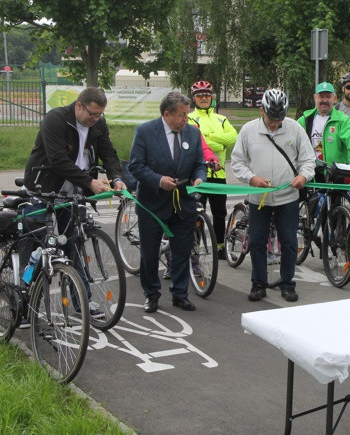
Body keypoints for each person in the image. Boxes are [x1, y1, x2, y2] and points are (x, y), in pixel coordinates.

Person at [23, 87, 126, 317]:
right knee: (36, 248)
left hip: (73, 193)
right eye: (92, 114)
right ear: (79, 105)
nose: (96, 119)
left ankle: (82, 301)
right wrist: (90, 182)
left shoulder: (98, 125)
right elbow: (57, 159)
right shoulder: (56, 119)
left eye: (100, 115)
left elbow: (109, 154)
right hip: (43, 190)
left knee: (75, 245)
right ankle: (26, 303)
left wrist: (117, 178)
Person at [231, 88, 315, 302]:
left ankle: (287, 283)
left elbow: (308, 160)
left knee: (288, 242)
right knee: (257, 241)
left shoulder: (295, 129)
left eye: (279, 119)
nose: (275, 124)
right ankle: (258, 283)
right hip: (259, 198)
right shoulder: (249, 130)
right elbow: (238, 162)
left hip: (288, 197)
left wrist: (303, 177)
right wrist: (251, 178)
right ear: (262, 110)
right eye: (271, 118)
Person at [129, 91, 206, 314]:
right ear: (166, 114)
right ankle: (152, 294)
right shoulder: (145, 132)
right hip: (153, 203)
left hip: (183, 202)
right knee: (150, 252)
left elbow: (200, 162)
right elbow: (136, 166)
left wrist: (200, 177)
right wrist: (159, 180)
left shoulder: (192, 133)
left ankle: (180, 294)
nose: (186, 120)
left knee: (182, 250)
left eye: (187, 115)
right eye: (182, 115)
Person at [188, 80, 238, 259]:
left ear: (212, 97)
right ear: (194, 98)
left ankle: (220, 247)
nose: (203, 98)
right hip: (198, 175)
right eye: (199, 95)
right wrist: (218, 142)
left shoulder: (221, 119)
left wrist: (208, 136)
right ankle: (193, 247)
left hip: (219, 173)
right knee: (195, 213)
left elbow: (233, 138)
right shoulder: (190, 118)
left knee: (219, 213)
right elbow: (198, 143)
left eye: (207, 95)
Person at [297, 81, 350, 170]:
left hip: (336, 174)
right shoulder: (305, 119)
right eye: (321, 96)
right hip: (311, 173)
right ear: (315, 98)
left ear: (334, 98)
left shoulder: (342, 120)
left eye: (328, 96)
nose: (325, 100)